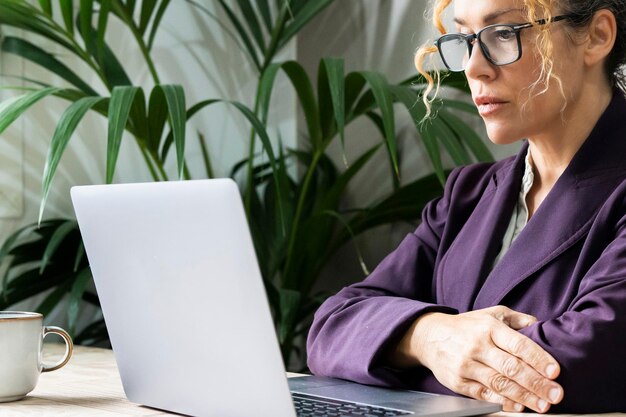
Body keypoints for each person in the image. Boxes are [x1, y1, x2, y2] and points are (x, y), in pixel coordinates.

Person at [306, 0, 626, 414]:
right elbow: (332, 328)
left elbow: (574, 371)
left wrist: (394, 353)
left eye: (504, 35)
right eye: (466, 39)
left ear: (597, 35)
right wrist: (430, 338)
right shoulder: (468, 193)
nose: (474, 68)